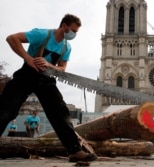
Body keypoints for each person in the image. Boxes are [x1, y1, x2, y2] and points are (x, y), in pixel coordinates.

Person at [0, 13, 97, 162]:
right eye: (73, 31)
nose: (74, 34)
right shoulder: (42, 34)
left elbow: (62, 68)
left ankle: (74, 151)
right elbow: (12, 38)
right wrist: (29, 59)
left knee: (60, 113)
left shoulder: (66, 47)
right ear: (64, 26)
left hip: (46, 79)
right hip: (27, 74)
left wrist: (49, 65)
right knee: (7, 110)